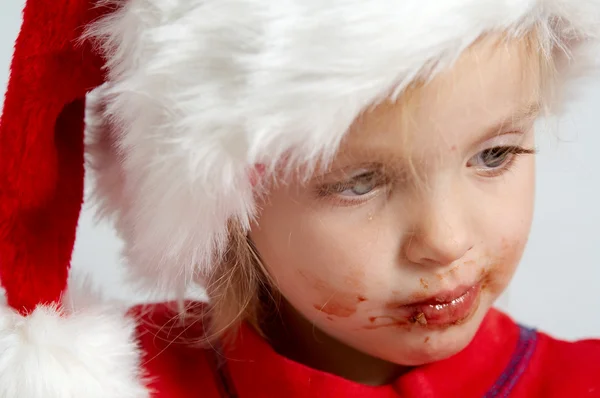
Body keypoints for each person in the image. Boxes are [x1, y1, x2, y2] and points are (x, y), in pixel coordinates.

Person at [1, 0, 600, 397]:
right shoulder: (116, 384)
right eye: (359, 182)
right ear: (229, 205)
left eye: (493, 155)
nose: (445, 241)